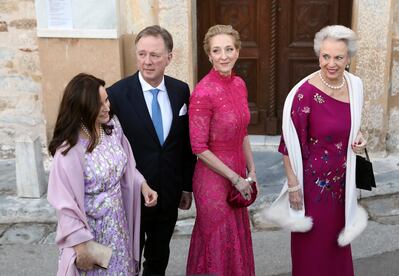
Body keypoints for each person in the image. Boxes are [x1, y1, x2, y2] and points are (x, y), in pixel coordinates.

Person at [264, 25, 369, 276]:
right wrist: (292, 185)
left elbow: (354, 126)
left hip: (343, 186)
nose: (331, 63)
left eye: (338, 57)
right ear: (318, 55)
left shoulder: (355, 86)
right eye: (325, 56)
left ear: (349, 58)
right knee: (312, 254)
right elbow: (288, 143)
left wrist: (360, 139)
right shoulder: (304, 94)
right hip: (313, 189)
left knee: (337, 249)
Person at [47, 73, 158, 275]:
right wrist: (80, 245)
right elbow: (65, 204)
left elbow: (126, 168)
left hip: (118, 225)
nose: (107, 107)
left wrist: (142, 185)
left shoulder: (112, 127)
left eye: (106, 99)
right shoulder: (69, 150)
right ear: (82, 108)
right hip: (91, 234)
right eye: (99, 104)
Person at [107, 25, 196, 276]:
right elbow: (110, 147)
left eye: (155, 55)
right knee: (129, 258)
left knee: (159, 257)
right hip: (131, 194)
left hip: (169, 192)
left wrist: (186, 186)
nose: (147, 61)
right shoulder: (117, 94)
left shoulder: (181, 90)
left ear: (169, 57)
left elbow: (185, 144)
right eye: (142, 54)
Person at [186, 24, 256, 276]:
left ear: (237, 52)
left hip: (238, 172)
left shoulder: (239, 84)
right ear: (209, 55)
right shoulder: (203, 92)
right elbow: (199, 147)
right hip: (213, 180)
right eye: (217, 50)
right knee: (217, 240)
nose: (224, 56)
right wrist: (235, 178)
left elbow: (243, 133)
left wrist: (252, 170)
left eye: (229, 49)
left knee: (235, 239)